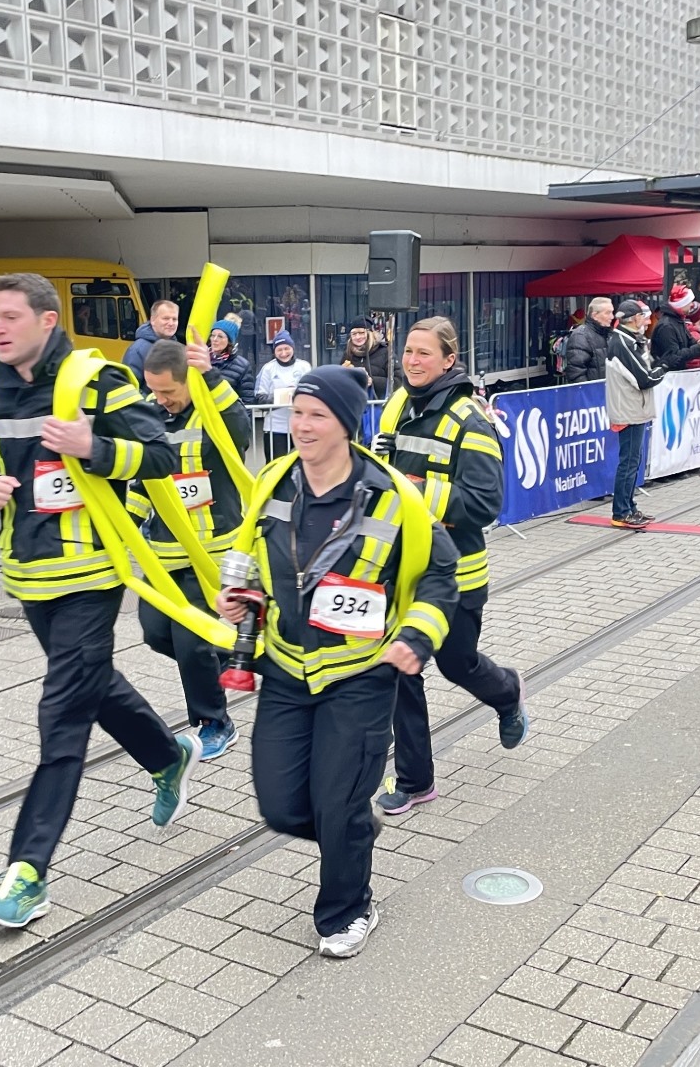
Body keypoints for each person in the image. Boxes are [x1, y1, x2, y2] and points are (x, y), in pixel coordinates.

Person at [0, 273, 198, 928]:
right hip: (29, 575)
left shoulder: (101, 382)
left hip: (93, 575)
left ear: (46, 320)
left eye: (9, 315)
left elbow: (159, 459)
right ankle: (166, 755)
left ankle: (27, 875)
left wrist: (93, 448)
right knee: (94, 686)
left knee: (60, 714)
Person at [213, 366, 458, 958]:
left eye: (316, 415)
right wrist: (234, 597)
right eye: (296, 412)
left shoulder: (395, 496)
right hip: (287, 669)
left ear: (346, 425)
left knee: (339, 797)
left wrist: (416, 640)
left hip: (362, 675)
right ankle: (352, 829)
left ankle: (348, 910)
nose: (301, 425)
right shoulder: (273, 482)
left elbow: (441, 575)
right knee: (280, 803)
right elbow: (244, 555)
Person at [372, 320, 526, 819]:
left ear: (448, 360)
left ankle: (508, 693)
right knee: (402, 669)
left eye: (423, 354)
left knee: (457, 664)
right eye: (408, 353)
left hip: (457, 575)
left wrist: (411, 492)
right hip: (401, 572)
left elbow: (485, 504)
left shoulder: (469, 420)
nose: (412, 361)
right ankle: (416, 782)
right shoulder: (397, 405)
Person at [131, 337, 251, 760]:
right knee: (155, 633)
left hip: (210, 554)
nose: (162, 400)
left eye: (169, 391)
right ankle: (228, 657)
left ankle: (214, 722)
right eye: (155, 390)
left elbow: (240, 430)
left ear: (187, 381)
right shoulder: (147, 414)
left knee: (191, 639)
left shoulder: (212, 408)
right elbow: (142, 480)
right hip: (165, 554)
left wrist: (211, 377)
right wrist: (126, 523)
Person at [606, 301, 666, 528]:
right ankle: (621, 512)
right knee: (628, 462)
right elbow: (645, 379)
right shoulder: (621, 342)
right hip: (628, 410)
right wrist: (666, 366)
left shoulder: (629, 339)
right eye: (644, 316)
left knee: (634, 460)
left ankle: (629, 506)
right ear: (633, 318)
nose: (648, 321)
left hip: (634, 409)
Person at [253, 330, 307, 460]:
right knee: (275, 468)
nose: (283, 353)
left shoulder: (304, 366)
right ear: (274, 352)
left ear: (293, 348)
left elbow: (311, 394)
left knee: (302, 467)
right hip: (275, 428)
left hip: (301, 427)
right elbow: (259, 398)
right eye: (279, 350)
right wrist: (282, 396)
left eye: (286, 348)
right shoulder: (268, 369)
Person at [561, 297, 616, 383]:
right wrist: (591, 394)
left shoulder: (609, 334)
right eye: (608, 313)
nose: (612, 317)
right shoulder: (580, 336)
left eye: (612, 312)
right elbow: (576, 374)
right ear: (595, 315)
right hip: (594, 394)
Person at [650, 285, 700, 372]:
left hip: (676, 376)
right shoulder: (667, 326)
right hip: (669, 378)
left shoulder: (677, 321)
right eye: (690, 302)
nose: (691, 305)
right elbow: (673, 356)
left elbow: (690, 342)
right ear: (682, 304)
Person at [123, 299, 180, 379]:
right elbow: (131, 386)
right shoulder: (137, 350)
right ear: (153, 320)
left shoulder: (179, 348)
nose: (171, 323)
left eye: (174, 319)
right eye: (166, 318)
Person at [341, 323, 391, 398]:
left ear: (369, 333)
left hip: (379, 404)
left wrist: (372, 381)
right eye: (354, 334)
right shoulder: (348, 353)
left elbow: (397, 381)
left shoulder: (385, 352)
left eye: (361, 333)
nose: (357, 337)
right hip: (354, 404)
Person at [209, 320, 254, 400]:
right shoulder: (202, 359)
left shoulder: (243, 366)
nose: (214, 339)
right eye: (213, 335)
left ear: (229, 341)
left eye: (220, 336)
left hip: (228, 411)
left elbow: (247, 399)